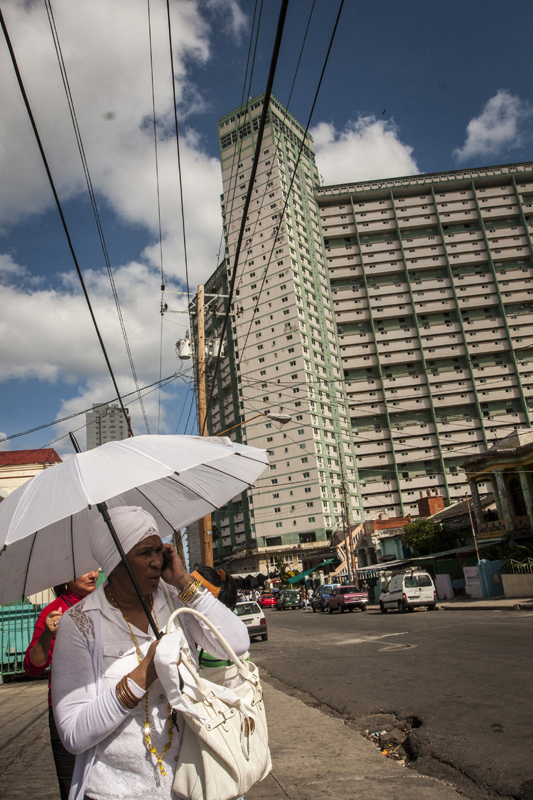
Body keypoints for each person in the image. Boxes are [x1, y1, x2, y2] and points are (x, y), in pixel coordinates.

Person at [52, 506, 249, 800]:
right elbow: (73, 733)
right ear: (115, 562)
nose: (157, 561)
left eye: (160, 551)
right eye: (145, 553)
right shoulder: (81, 622)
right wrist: (144, 673)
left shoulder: (174, 600)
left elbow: (236, 643)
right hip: (115, 792)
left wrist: (184, 582)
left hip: (195, 784)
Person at [24, 571, 99, 800]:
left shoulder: (109, 602)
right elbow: (33, 666)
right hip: (65, 712)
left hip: (104, 705)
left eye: (94, 568)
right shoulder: (53, 611)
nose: (93, 574)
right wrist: (47, 633)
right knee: (72, 790)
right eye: (84, 570)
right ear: (66, 576)